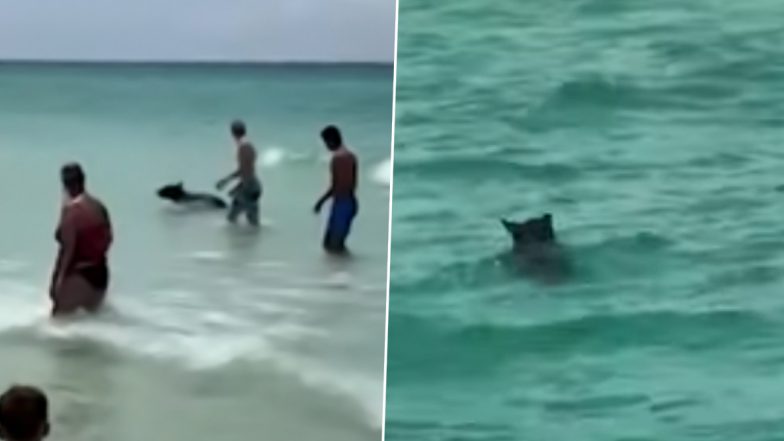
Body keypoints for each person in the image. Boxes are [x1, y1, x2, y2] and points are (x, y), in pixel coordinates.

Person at [49, 163, 113, 317]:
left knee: (58, 325)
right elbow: (109, 238)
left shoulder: (71, 212)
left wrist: (57, 282)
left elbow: (67, 250)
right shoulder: (99, 206)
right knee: (92, 324)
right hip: (100, 274)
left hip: (79, 276)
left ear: (65, 185)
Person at [314, 125, 359, 254]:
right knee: (332, 245)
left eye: (326, 142)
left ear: (331, 141)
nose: (326, 146)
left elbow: (337, 186)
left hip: (342, 205)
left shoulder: (338, 160)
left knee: (333, 246)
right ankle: (342, 270)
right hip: (349, 202)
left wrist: (321, 201)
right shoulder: (351, 156)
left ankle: (343, 270)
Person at [216, 120, 262, 226]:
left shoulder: (243, 148)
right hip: (252, 186)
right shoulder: (248, 146)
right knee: (250, 222)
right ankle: (253, 240)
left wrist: (229, 183)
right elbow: (246, 170)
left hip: (249, 187)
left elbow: (244, 171)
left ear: (232, 133)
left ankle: (243, 241)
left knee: (233, 220)